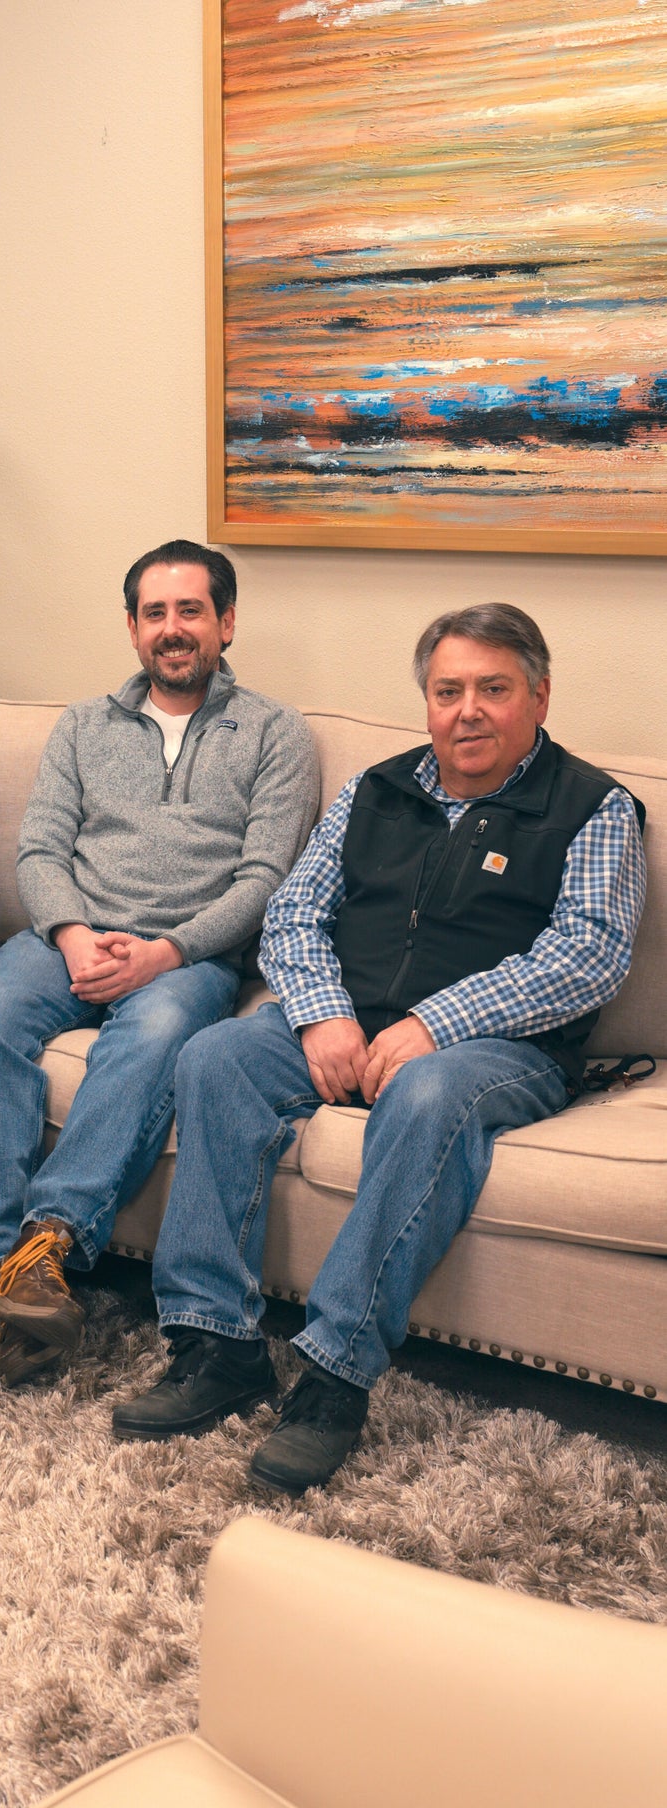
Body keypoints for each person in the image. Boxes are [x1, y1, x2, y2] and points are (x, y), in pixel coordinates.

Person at [116, 603, 647, 1492]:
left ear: (540, 697)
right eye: (448, 691)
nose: (467, 710)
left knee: (429, 1093)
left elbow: (588, 956)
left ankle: (335, 1374)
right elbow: (293, 912)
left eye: (492, 689)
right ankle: (216, 1346)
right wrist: (324, 1014)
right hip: (345, 1026)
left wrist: (437, 1022)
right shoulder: (376, 788)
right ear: (427, 702)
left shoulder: (594, 808)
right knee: (215, 1056)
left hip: (496, 1049)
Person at [0, 540, 321, 1385]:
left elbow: (266, 879)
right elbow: (41, 848)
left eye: (191, 610)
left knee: (151, 1038)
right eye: (155, 613)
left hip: (188, 953)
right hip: (72, 936)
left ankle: (44, 1246)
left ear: (226, 622)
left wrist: (165, 951)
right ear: (131, 628)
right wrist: (74, 935)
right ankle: (9, 1269)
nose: (173, 628)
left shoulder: (274, 731)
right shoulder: (84, 724)